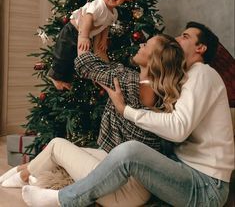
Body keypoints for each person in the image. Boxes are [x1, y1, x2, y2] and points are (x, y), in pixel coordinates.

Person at [20, 21, 234, 207]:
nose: (177, 38)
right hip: (183, 171)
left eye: (185, 36)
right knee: (102, 154)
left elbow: (178, 129)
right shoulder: (180, 79)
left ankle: (64, 199)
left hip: (206, 186)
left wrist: (126, 110)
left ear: (201, 48)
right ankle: (25, 174)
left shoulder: (203, 73)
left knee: (129, 151)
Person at [1, 34, 187, 206]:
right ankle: (23, 169)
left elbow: (84, 64)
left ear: (153, 59)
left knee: (57, 145)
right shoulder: (158, 90)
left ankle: (23, 176)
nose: (140, 44)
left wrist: (83, 32)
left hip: (123, 190)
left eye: (146, 45)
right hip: (137, 184)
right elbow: (108, 68)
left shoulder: (128, 81)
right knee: (70, 152)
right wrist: (101, 46)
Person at [48, 0, 126, 91]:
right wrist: (84, 36)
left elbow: (106, 27)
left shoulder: (114, 13)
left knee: (73, 58)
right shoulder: (99, 5)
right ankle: (55, 75)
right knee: (63, 54)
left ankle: (65, 79)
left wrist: (103, 40)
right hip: (72, 30)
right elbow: (87, 18)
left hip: (84, 34)